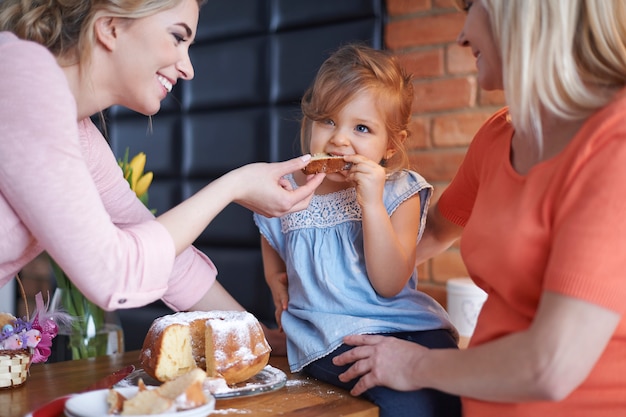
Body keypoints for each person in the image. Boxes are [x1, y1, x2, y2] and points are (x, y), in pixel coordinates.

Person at [332, 0, 626, 416]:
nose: (462, 34)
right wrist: (328, 275)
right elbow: (430, 234)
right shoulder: (498, 135)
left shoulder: (616, 145)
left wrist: (413, 364)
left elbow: (551, 366)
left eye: (472, 7)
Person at [0, 0, 324, 351]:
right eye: (177, 37)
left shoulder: (81, 136)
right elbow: (113, 273)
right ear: (110, 27)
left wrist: (258, 336)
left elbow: (172, 264)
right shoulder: (23, 74)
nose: (188, 68)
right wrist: (235, 185)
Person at [253, 44, 461, 417]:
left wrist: (372, 204)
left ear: (391, 144)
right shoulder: (287, 187)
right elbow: (272, 236)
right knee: (408, 404)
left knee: (455, 391)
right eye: (328, 121)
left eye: (361, 128)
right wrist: (274, 279)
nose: (339, 140)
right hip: (331, 334)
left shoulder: (400, 190)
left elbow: (389, 283)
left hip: (410, 324)